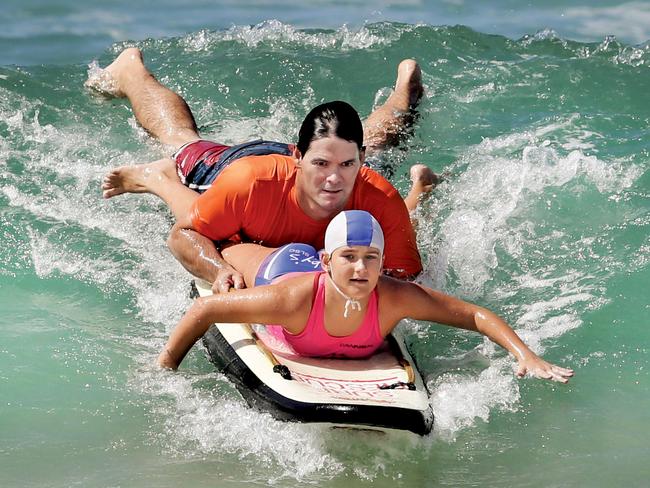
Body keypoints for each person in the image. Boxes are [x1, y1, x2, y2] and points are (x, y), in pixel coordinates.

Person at [88, 48, 436, 293]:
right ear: (298, 157)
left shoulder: (376, 195)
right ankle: (131, 72)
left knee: (378, 149)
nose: (334, 180)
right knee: (179, 139)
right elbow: (184, 234)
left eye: (348, 164)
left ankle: (403, 96)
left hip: (320, 161)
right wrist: (219, 270)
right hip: (237, 168)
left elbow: (404, 280)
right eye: (321, 165)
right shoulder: (250, 184)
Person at [158, 210, 574, 384]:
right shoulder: (291, 300)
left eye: (371, 259)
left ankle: (417, 195)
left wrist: (526, 355)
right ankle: (165, 183)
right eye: (350, 258)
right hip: (278, 266)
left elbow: (475, 316)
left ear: (382, 262)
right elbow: (206, 307)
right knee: (216, 239)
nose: (361, 269)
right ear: (328, 260)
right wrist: (165, 370)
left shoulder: (395, 297)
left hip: (314, 263)